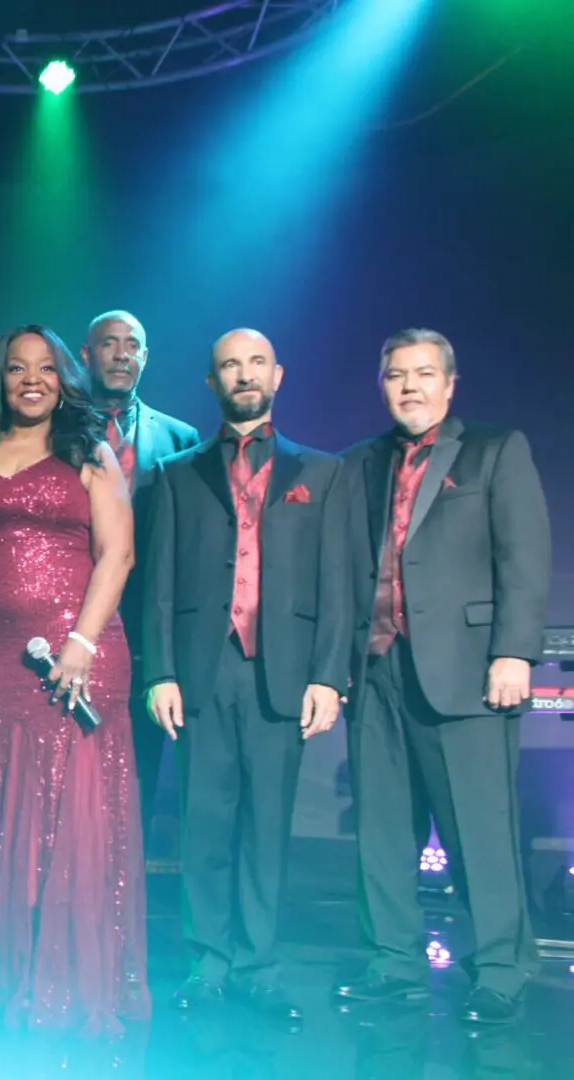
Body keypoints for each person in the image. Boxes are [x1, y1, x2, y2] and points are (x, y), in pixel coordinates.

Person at [333, 330, 549, 1026]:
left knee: (479, 831)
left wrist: (514, 651)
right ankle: (392, 964)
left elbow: (525, 556)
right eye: (397, 375)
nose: (410, 387)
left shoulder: (494, 449)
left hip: (467, 671)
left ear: (450, 383)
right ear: (382, 383)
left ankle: (500, 970)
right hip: (377, 669)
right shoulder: (360, 464)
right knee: (383, 832)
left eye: (424, 374)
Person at [141, 329, 350, 1021]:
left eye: (256, 361)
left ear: (278, 375)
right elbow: (160, 584)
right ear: (211, 381)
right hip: (203, 671)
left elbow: (339, 584)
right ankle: (209, 962)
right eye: (230, 364)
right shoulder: (177, 473)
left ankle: (259, 965)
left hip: (283, 672)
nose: (244, 373)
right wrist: (161, 671)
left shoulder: (321, 474)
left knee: (267, 828)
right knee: (204, 825)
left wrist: (330, 676)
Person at [0, 325, 146, 1033]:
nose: (32, 380)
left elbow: (117, 555)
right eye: (17, 369)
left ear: (66, 377)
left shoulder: (89, 453)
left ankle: (64, 981)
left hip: (74, 659)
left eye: (47, 368)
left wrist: (81, 644)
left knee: (65, 819)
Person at [78, 311, 199, 841]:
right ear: (87, 355)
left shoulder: (180, 438)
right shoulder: (57, 429)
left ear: (145, 357)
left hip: (147, 633)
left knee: (139, 769)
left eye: (133, 345)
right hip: (71, 617)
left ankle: (128, 897)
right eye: (110, 344)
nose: (122, 354)